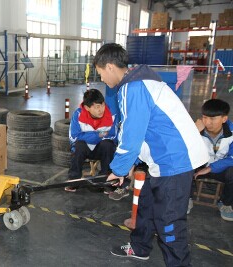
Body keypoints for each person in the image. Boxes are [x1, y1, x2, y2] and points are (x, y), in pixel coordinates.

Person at [93, 43, 209, 266]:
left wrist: (117, 170)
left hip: (174, 161)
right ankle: (139, 247)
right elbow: (144, 130)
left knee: (169, 223)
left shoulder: (133, 88)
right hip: (161, 159)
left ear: (109, 67)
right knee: (146, 204)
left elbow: (131, 136)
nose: (103, 79)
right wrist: (130, 165)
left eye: (100, 74)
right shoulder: (141, 82)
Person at [65, 89, 118, 192]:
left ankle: (105, 181)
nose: (101, 109)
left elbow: (113, 136)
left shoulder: (111, 115)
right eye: (97, 107)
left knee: (108, 144)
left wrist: (86, 136)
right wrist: (99, 134)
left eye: (102, 105)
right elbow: (74, 137)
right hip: (84, 149)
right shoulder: (78, 115)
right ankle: (73, 181)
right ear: (87, 108)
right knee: (78, 145)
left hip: (101, 150)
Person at [192, 99, 233, 221]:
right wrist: (192, 131)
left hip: (222, 169)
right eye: (204, 117)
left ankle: (226, 204)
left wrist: (210, 168)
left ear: (224, 119)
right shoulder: (197, 129)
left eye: (212, 118)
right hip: (200, 164)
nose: (207, 122)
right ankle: (186, 199)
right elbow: (182, 149)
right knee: (184, 165)